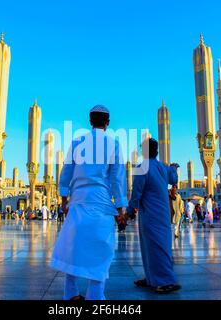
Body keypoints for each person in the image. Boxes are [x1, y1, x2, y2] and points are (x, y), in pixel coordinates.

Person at [49, 105, 127, 301]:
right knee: (101, 250)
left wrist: (64, 200)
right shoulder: (114, 144)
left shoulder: (77, 143)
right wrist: (120, 208)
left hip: (78, 200)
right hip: (101, 202)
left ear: (90, 121)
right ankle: (95, 295)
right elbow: (117, 179)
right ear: (107, 123)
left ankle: (71, 293)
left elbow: (66, 172)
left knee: (73, 248)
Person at [129, 138, 181, 294]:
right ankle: (152, 278)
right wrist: (173, 167)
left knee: (153, 247)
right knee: (158, 245)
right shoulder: (162, 167)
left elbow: (136, 192)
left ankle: (165, 281)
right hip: (163, 213)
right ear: (156, 151)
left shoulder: (142, 168)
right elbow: (174, 178)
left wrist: (131, 210)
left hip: (150, 215)